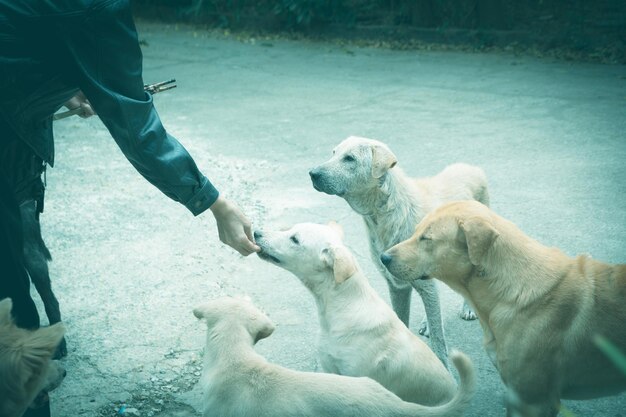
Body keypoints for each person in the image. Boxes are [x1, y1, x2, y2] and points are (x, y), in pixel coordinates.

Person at [0, 1, 259, 415]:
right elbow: (136, 126)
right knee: (12, 334)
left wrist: (61, 84)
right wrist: (216, 203)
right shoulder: (94, 8)